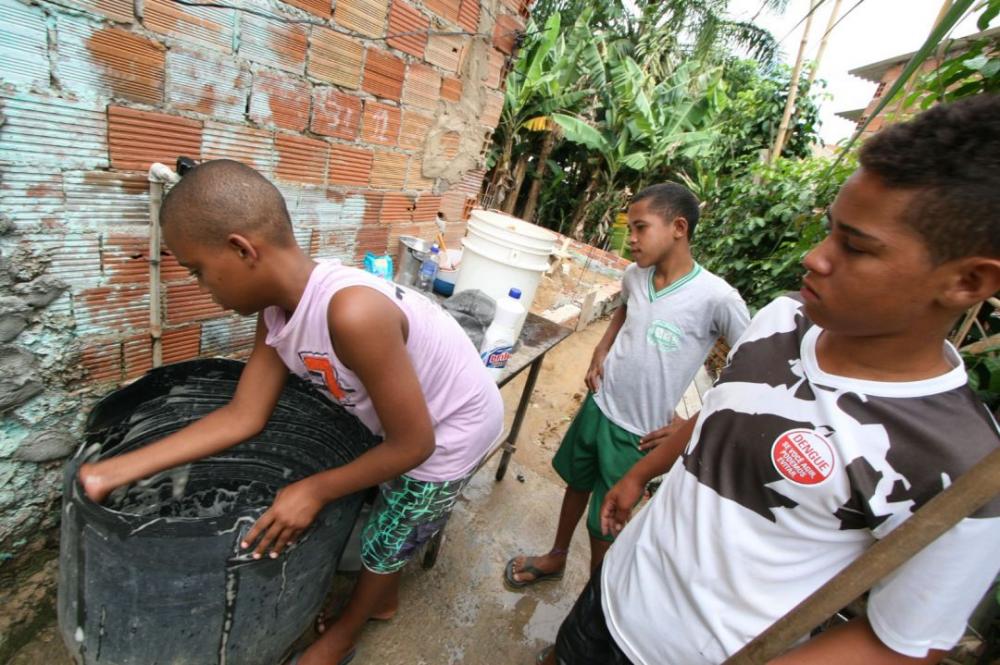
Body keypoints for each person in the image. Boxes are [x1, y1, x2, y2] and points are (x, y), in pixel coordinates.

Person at [540, 94, 1000, 665]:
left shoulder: (961, 470)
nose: (813, 257)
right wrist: (642, 473)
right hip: (610, 598)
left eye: (854, 246)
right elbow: (726, 410)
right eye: (831, 230)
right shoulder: (781, 318)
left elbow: (901, 644)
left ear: (967, 281)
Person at [77, 159, 504, 665]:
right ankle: (382, 595)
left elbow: (414, 446)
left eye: (198, 271)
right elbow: (244, 415)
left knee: (392, 529)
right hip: (413, 420)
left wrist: (313, 489)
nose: (200, 288)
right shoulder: (278, 314)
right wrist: (115, 470)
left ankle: (347, 631)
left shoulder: (351, 313)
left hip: (452, 429)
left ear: (241, 249)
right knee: (387, 506)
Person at [505, 183, 750, 589]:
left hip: (638, 434)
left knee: (605, 523)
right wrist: (602, 348)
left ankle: (593, 602)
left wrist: (695, 421)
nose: (631, 240)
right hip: (599, 405)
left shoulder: (717, 299)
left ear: (679, 227)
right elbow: (623, 310)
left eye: (640, 228)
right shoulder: (636, 276)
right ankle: (557, 556)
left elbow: (752, 366)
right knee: (576, 485)